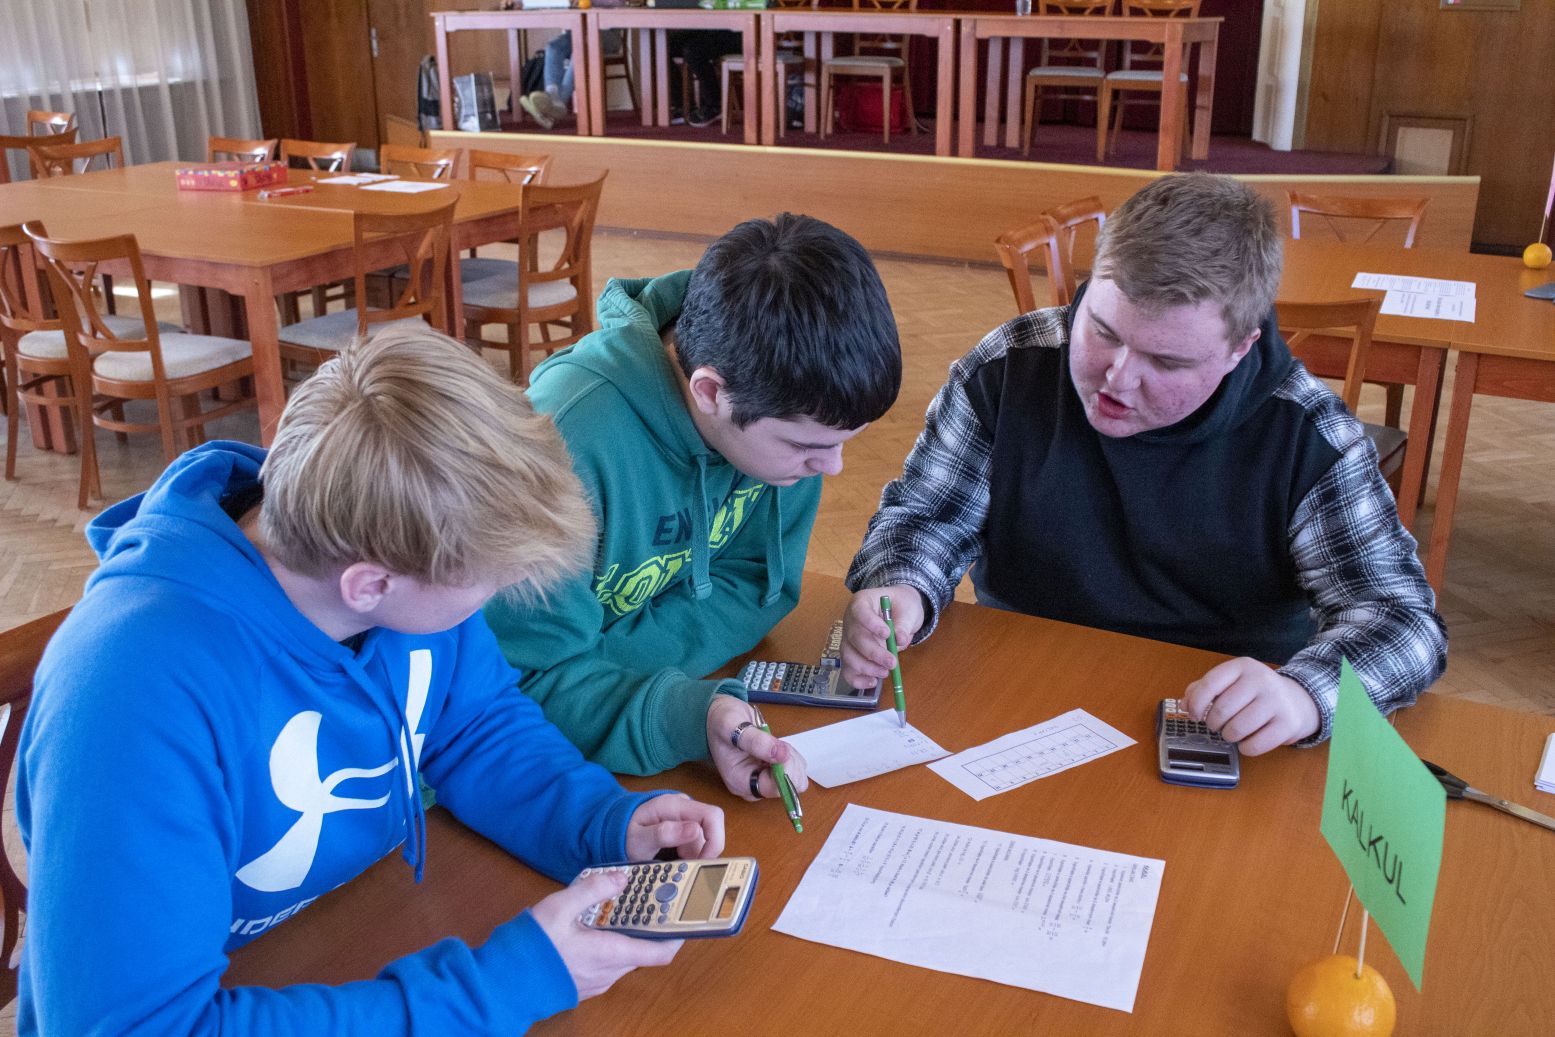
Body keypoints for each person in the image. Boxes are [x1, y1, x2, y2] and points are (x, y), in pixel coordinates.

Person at [17, 327, 726, 1032]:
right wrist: (506, 984)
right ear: (369, 585)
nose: (486, 603)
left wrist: (601, 822)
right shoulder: (128, 694)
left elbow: (476, 728)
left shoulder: (381, 537)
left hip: (336, 943)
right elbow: (139, 1024)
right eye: (484, 586)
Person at [840, 173, 1447, 755]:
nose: (1118, 378)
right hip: (1019, 682)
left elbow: (1403, 621)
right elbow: (927, 518)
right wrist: (902, 585)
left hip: (1214, 718)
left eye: (1168, 362)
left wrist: (1304, 694)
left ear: (1240, 349)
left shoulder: (1307, 436)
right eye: (1102, 331)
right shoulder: (1010, 368)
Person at [484, 212, 902, 796]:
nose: (832, 468)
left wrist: (607, 666)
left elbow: (758, 585)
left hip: (626, 712)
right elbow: (516, 684)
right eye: (808, 446)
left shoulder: (784, 403)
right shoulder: (565, 445)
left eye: (842, 443)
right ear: (709, 391)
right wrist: (669, 704)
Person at [520, 29, 624, 130]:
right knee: (553, 47)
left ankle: (558, 103)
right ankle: (552, 99)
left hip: (607, 35)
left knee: (579, 50)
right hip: (577, 33)